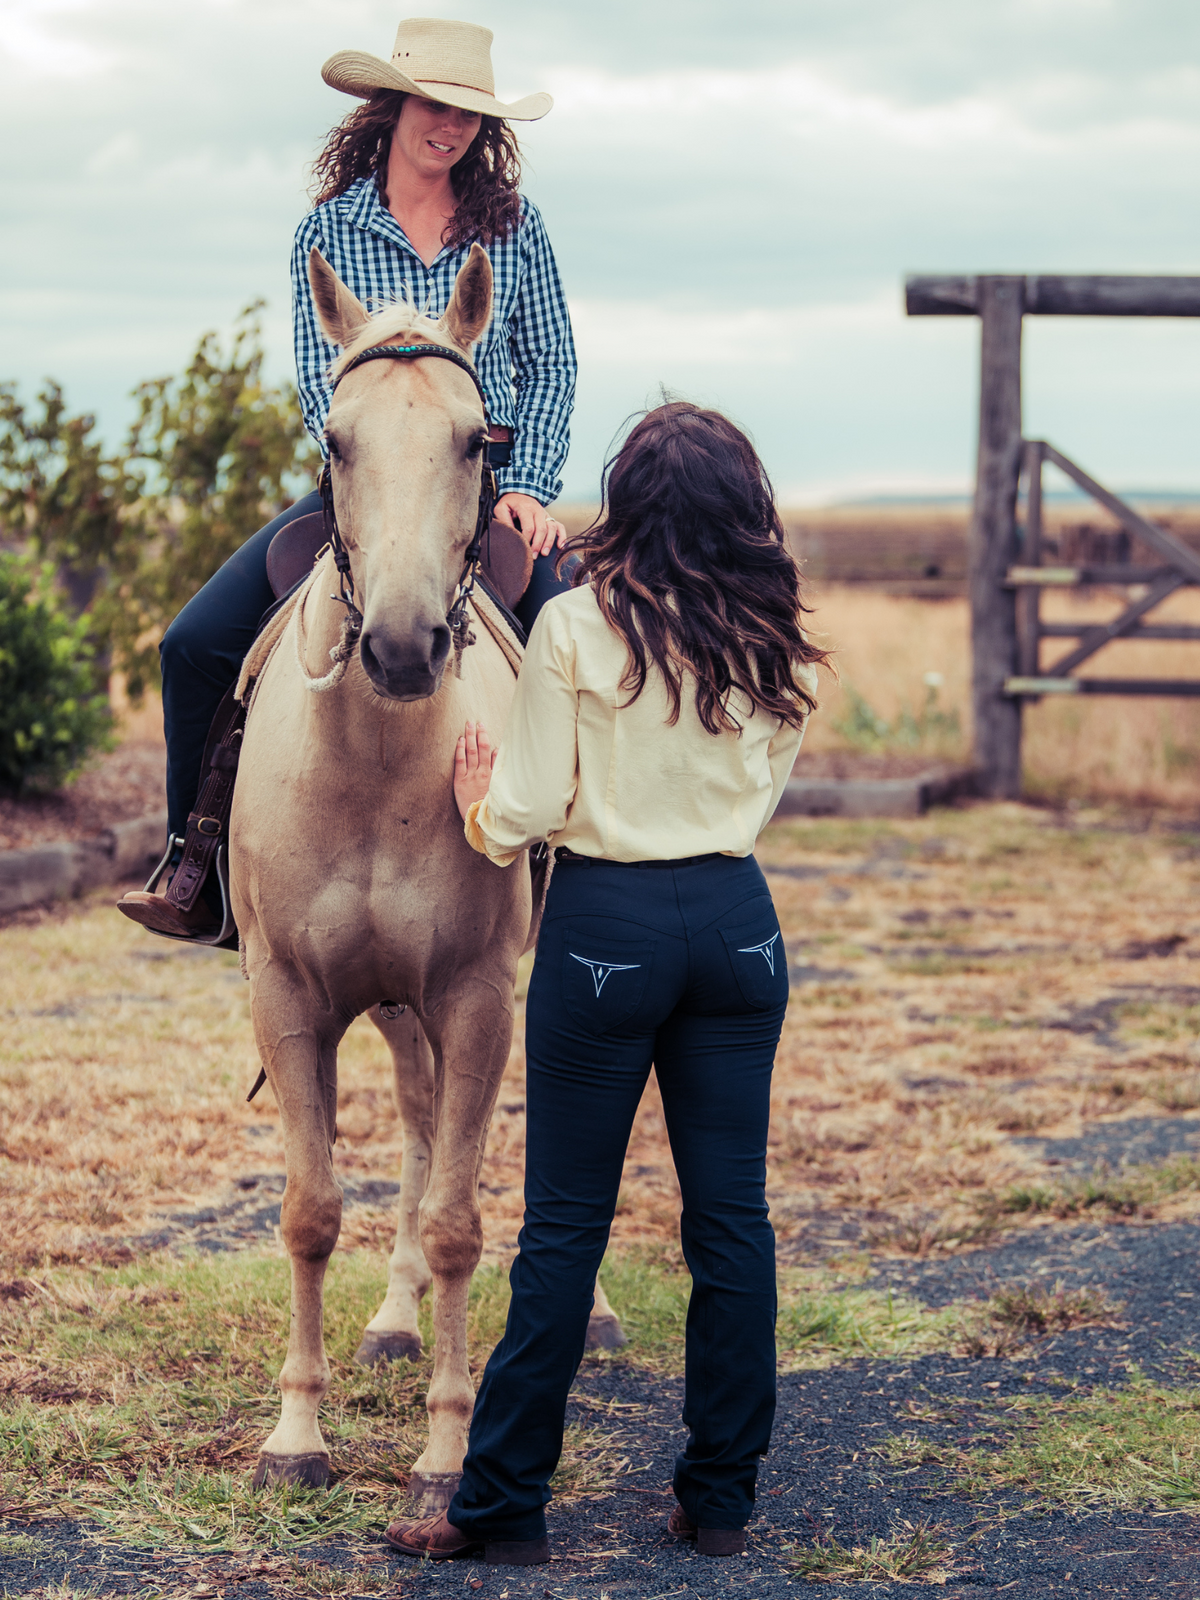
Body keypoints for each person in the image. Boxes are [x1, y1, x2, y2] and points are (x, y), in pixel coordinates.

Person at [384, 401, 831, 1566]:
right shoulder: (774, 634)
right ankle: (721, 1498)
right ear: (746, 511)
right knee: (734, 1223)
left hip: (606, 931)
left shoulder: (578, 623)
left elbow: (526, 812)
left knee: (566, 1233)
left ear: (628, 505)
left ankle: (500, 1507)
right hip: (740, 927)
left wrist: (479, 800)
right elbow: (762, 783)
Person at [119, 16, 576, 938]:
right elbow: (314, 387)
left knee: (575, 645)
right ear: (394, 106)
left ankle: (588, 882)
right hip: (364, 486)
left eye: (469, 115)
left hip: (480, 486)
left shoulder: (516, 232)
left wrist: (524, 483)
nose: (449, 127)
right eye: (434, 106)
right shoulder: (326, 234)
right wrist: (368, 474)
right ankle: (197, 867)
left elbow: (551, 365)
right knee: (194, 644)